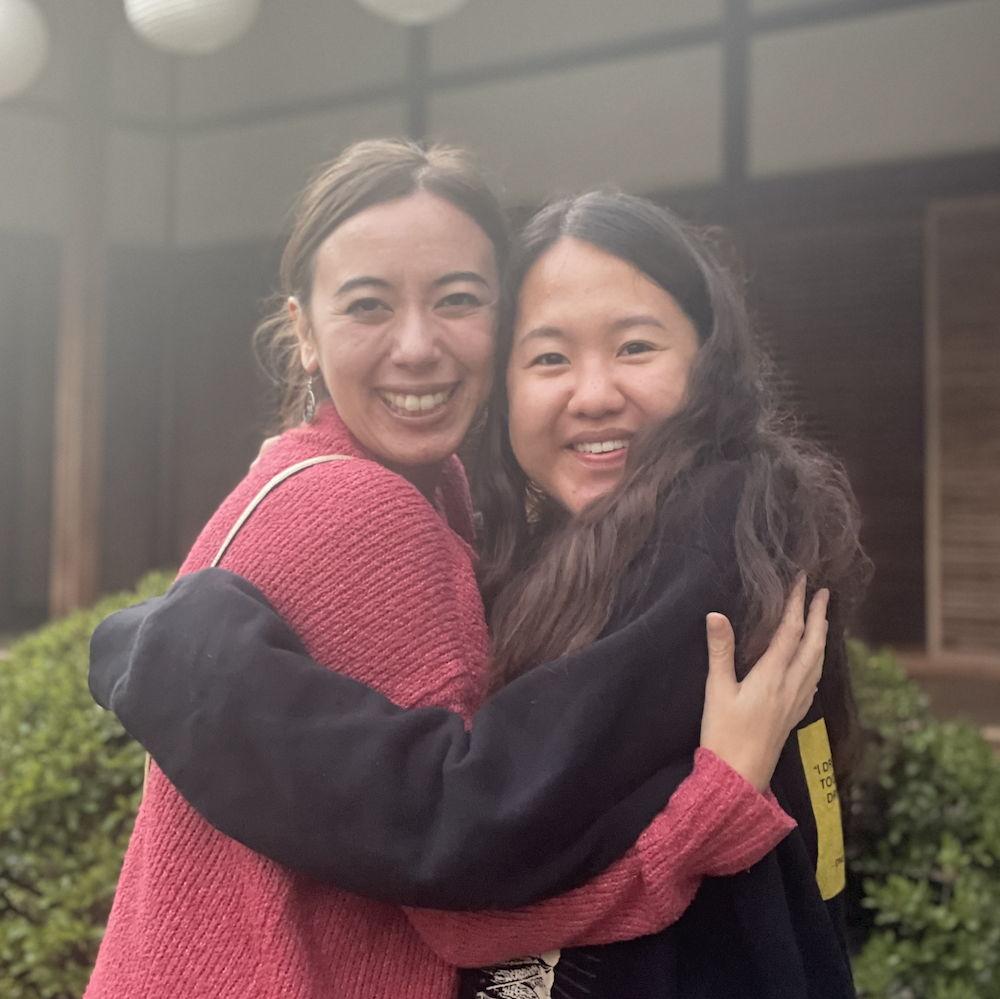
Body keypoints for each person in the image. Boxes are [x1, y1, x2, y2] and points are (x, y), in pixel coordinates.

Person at [88, 148, 856, 998]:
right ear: (304, 331)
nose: (593, 393)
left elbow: (472, 832)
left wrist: (172, 653)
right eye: (550, 357)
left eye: (457, 299)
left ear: (710, 356)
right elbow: (466, 854)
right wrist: (713, 803)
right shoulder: (378, 505)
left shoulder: (710, 525)